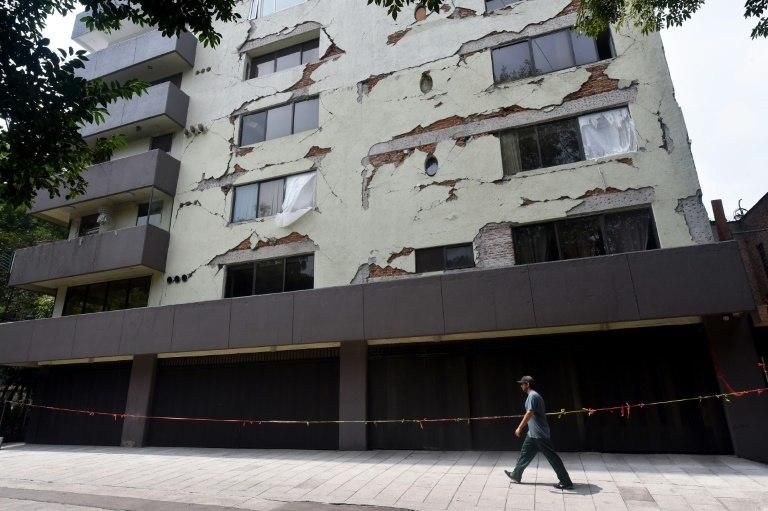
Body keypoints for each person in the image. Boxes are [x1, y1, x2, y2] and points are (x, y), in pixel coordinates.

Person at [504, 376, 574, 490]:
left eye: (522, 384)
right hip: (532, 434)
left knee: (553, 458)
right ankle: (516, 475)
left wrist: (519, 427)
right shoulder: (533, 396)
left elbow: (530, 413)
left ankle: (566, 482)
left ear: (527, 384)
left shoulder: (533, 396)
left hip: (540, 435)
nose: (521, 386)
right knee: (524, 454)